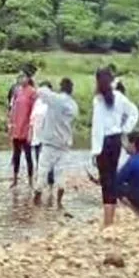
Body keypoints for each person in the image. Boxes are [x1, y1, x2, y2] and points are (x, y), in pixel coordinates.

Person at [91, 67, 139, 227]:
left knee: (106, 181)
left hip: (104, 143)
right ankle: (110, 219)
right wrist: (124, 129)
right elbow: (134, 112)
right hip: (116, 141)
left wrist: (95, 151)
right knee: (111, 177)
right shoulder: (119, 97)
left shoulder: (98, 100)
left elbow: (97, 128)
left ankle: (108, 221)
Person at [33, 77, 79, 209]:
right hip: (64, 143)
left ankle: (36, 201)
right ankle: (59, 203)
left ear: (61, 87)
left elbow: (40, 91)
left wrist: (38, 79)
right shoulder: (73, 105)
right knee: (61, 173)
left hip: (50, 143)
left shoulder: (56, 99)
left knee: (42, 171)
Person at [9, 75, 37, 188]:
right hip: (17, 128)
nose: (21, 80)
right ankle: (15, 180)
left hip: (26, 129)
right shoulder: (17, 91)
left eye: (24, 77)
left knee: (28, 156)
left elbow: (34, 112)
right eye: (20, 78)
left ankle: (30, 181)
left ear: (28, 79)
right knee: (16, 155)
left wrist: (31, 128)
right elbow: (13, 109)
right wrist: (11, 124)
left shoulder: (32, 93)